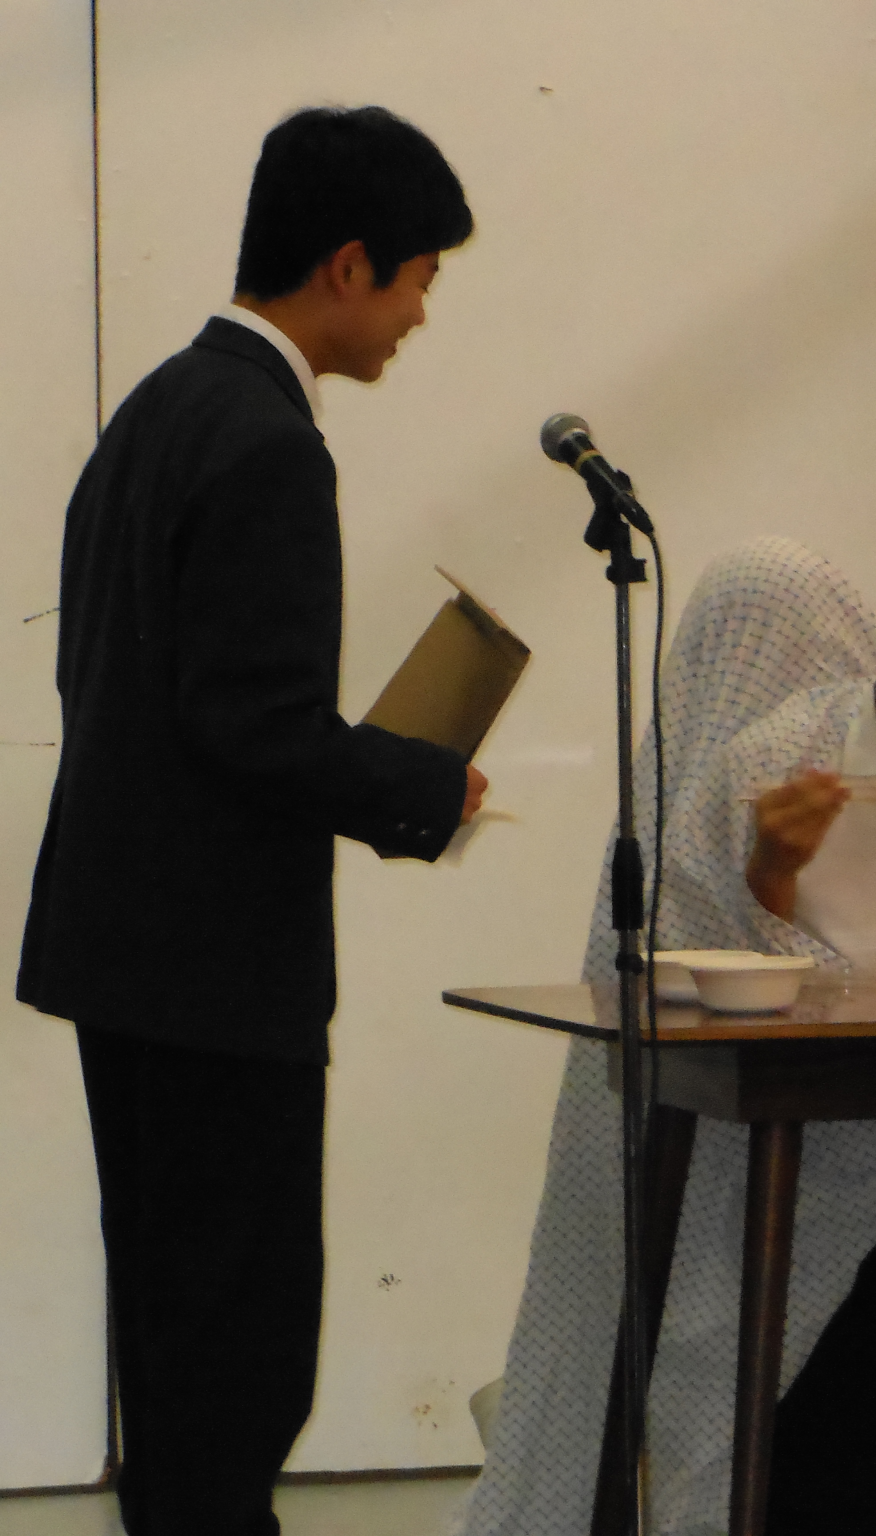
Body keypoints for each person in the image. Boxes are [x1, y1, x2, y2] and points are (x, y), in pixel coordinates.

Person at [460, 543, 876, 1536]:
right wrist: (770, 877)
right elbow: (685, 981)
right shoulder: (772, 764)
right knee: (830, 1478)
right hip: (809, 1172)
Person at [15, 107, 483, 1535]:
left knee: (175, 1360)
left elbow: (121, 684)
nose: (418, 316)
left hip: (126, 960)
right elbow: (253, 724)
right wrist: (425, 784)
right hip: (217, 980)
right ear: (347, 265)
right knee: (238, 1361)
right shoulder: (271, 443)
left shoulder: (158, 411)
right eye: (416, 279)